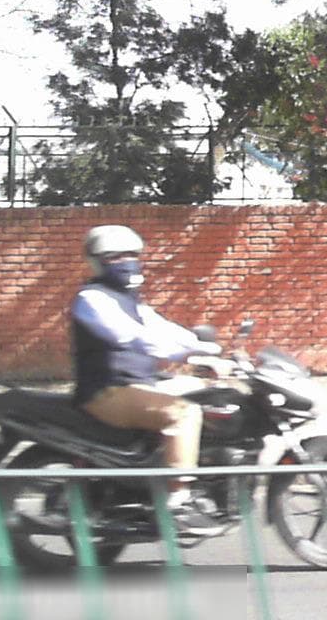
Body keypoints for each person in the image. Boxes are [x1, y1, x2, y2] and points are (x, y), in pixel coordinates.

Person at [69, 224, 228, 534]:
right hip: (108, 391)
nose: (127, 262)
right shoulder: (92, 299)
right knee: (183, 414)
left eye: (132, 255)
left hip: (137, 383)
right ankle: (178, 500)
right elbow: (135, 337)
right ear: (98, 262)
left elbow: (163, 327)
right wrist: (190, 354)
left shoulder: (129, 300)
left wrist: (208, 350)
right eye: (116, 257)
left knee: (207, 393)